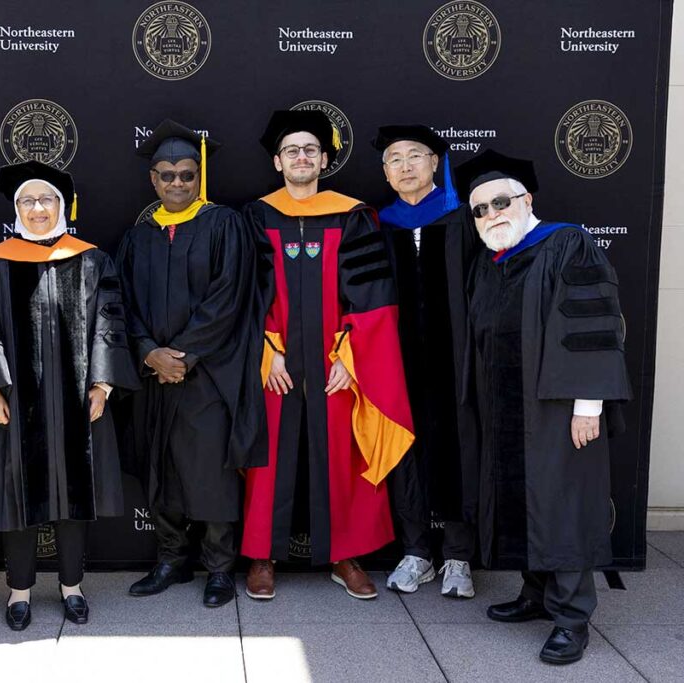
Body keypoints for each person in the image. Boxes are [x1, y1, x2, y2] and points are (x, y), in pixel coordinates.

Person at [457, 150, 631, 665]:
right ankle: (535, 593)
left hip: (558, 409)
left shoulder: (567, 244)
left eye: (500, 202)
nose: (491, 214)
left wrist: (588, 404)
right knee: (521, 501)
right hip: (506, 408)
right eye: (480, 209)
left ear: (526, 200)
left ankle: (572, 618)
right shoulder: (491, 261)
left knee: (563, 506)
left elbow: (592, 327)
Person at [241, 110, 413, 601]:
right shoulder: (256, 216)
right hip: (275, 360)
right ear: (278, 161)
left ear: (323, 160)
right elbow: (246, 292)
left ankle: (346, 555)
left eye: (310, 150)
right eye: (292, 150)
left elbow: (373, 294)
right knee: (266, 458)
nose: (301, 156)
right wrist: (266, 350)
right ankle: (260, 555)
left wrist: (351, 356)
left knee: (341, 453)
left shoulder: (353, 215)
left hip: (338, 361)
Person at [0, 160, 138, 631]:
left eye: (46, 200)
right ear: (16, 208)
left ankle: (72, 587)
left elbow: (109, 320)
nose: (37, 208)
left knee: (74, 494)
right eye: (27, 201)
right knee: (16, 495)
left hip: (77, 399)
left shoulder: (91, 259)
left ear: (61, 206)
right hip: (15, 401)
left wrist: (102, 383)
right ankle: (18, 592)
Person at [118, 120, 266, 608]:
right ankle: (170, 559)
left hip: (208, 375)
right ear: (152, 180)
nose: (177, 183)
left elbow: (229, 299)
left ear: (199, 177)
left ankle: (220, 568)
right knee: (161, 468)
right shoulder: (138, 238)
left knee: (211, 470)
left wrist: (182, 356)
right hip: (154, 376)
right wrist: (147, 352)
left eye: (186, 174)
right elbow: (123, 307)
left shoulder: (225, 225)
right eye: (167, 175)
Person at [373, 125, 480, 599]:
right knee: (405, 451)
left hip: (456, 358)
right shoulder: (381, 223)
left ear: (436, 163)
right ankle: (416, 552)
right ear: (385, 172)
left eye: (416, 156)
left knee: (460, 450)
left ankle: (458, 556)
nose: (405, 166)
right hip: (398, 361)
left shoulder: (464, 219)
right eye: (394, 159)